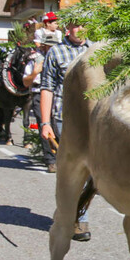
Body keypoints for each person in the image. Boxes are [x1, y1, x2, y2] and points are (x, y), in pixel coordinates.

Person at [38, 23, 89, 175]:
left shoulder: (96, 49)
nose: (80, 29)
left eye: (84, 25)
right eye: (76, 26)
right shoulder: (56, 52)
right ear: (68, 27)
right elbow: (47, 88)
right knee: (73, 165)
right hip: (64, 117)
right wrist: (45, 123)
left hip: (90, 116)